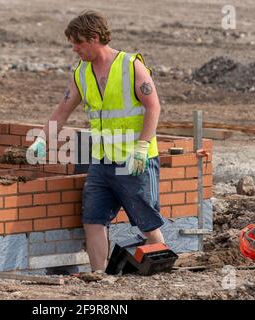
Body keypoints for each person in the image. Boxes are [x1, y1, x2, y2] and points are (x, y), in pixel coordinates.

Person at [27, 10, 165, 272]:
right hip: (102, 162)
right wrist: (42, 140)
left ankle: (160, 278)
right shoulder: (81, 73)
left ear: (94, 38)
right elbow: (63, 111)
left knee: (147, 223)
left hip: (133, 161)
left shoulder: (129, 65)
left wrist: (143, 147)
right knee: (93, 220)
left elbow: (153, 107)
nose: (75, 49)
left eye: (78, 43)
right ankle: (98, 277)